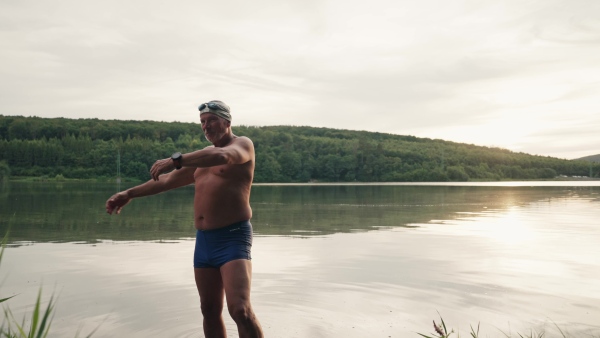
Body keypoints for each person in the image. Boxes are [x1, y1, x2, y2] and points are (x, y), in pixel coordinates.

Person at [105, 100, 263, 338]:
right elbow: (168, 181)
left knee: (240, 309)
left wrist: (177, 159)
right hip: (205, 241)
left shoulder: (242, 145)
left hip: (233, 237)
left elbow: (224, 156)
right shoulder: (201, 159)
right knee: (209, 310)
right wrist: (129, 193)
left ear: (227, 122)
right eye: (202, 122)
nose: (206, 126)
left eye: (211, 120)